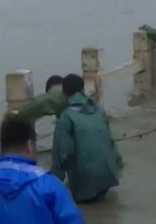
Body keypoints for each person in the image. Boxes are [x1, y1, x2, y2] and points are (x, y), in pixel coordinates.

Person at [51, 74, 122, 203]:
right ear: (83, 91)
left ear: (63, 93)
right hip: (109, 177)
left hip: (86, 183)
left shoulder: (66, 117)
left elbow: (60, 156)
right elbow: (111, 144)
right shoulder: (99, 111)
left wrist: (48, 187)